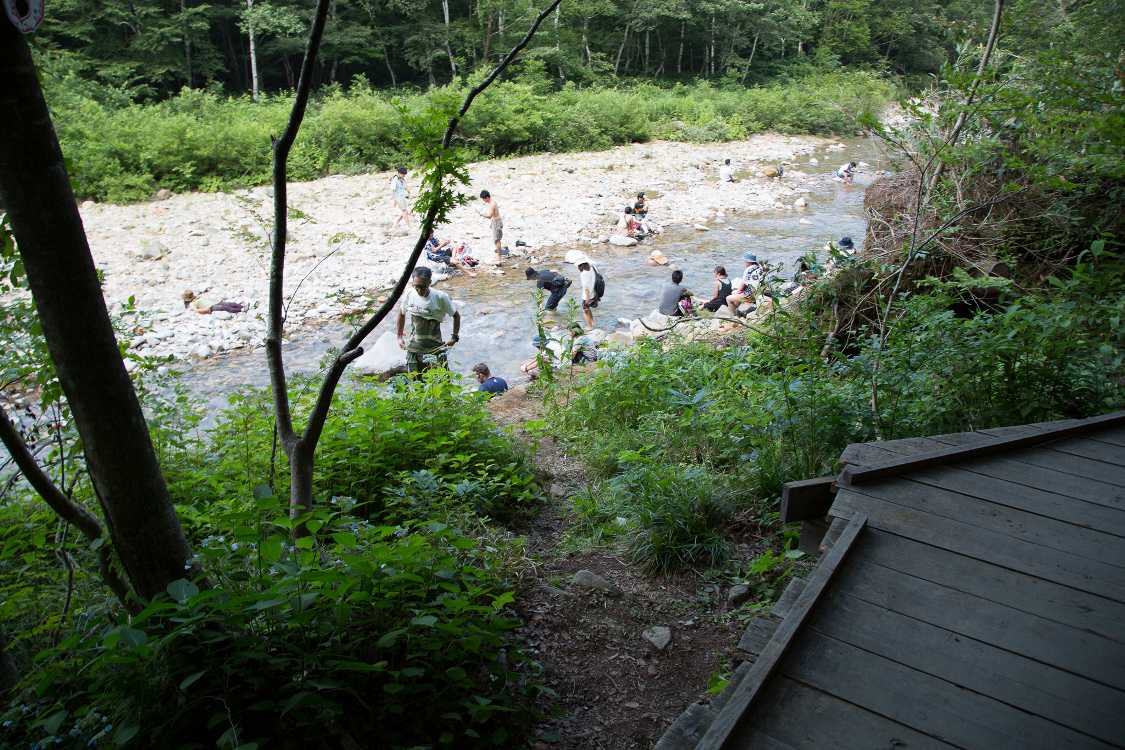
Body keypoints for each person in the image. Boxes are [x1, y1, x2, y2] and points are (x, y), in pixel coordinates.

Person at [396, 266, 460, 373]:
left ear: (430, 282)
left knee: (443, 380)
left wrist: (454, 337)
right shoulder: (409, 293)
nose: (419, 290)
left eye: (422, 287)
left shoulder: (440, 297)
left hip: (435, 347)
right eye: (416, 286)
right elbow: (401, 314)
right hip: (413, 347)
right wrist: (399, 336)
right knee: (415, 379)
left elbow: (456, 316)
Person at [576, 255, 604, 328]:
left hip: (588, 296)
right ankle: (592, 322)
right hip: (595, 293)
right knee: (588, 309)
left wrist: (587, 299)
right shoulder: (592, 268)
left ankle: (589, 327)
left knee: (585, 311)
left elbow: (586, 288)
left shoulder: (583, 274)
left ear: (580, 266)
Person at [478, 190, 504, 264]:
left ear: (487, 197)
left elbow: (489, 216)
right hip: (495, 222)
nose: (483, 200)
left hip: (496, 222)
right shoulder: (491, 203)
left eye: (483, 199)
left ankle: (499, 258)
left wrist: (481, 214)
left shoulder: (492, 204)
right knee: (496, 240)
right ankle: (498, 255)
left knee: (497, 240)